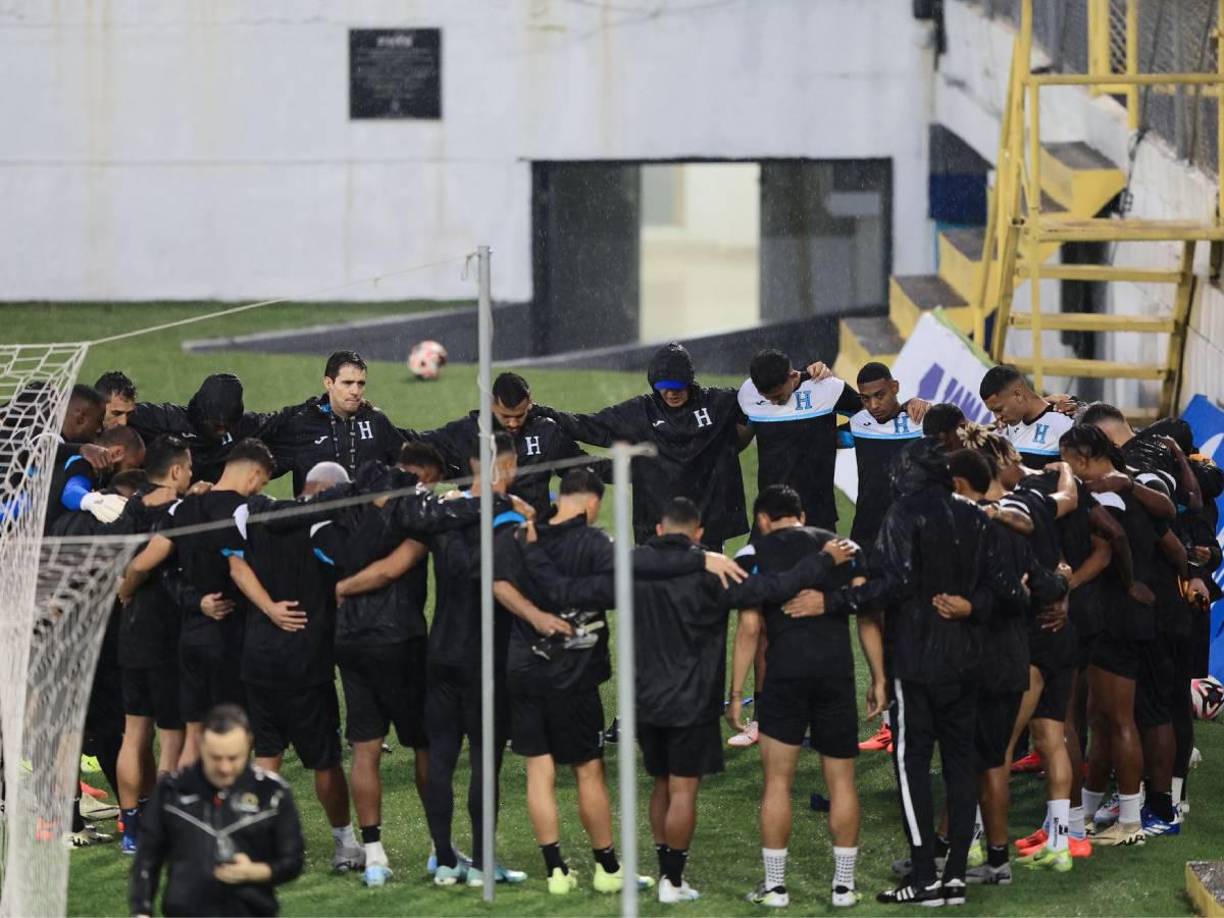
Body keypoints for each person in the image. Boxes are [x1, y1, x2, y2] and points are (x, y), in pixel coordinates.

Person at [523, 496, 842, 904]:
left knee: (660, 783)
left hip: (644, 699)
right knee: (683, 790)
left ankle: (663, 872)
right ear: (699, 533)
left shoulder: (634, 568)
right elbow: (775, 588)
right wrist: (825, 560)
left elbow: (568, 588)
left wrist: (532, 549)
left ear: (658, 529)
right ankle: (672, 881)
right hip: (693, 698)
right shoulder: (715, 571)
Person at [819, 438, 992, 908]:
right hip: (969, 659)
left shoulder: (903, 513)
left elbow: (893, 585)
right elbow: (998, 590)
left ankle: (922, 874)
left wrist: (834, 600)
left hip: (917, 661)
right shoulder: (977, 516)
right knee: (960, 764)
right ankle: (954, 875)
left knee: (912, 764)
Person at [490, 468, 652, 896]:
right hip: (575, 677)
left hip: (523, 670)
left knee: (537, 770)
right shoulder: (597, 543)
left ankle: (555, 870)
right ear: (592, 502)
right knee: (588, 771)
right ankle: (607, 868)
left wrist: (535, 617)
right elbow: (622, 592)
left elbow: (499, 585)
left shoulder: (521, 537)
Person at [727, 485, 882, 909]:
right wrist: (880, 677)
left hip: (785, 675)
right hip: (837, 673)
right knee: (842, 781)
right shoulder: (843, 547)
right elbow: (867, 613)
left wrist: (736, 692)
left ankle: (776, 887)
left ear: (762, 519)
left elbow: (750, 628)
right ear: (803, 513)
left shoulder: (752, 552)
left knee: (778, 782)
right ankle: (845, 887)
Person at [225, 461, 364, 876]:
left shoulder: (260, 518)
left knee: (267, 756)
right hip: (306, 665)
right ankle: (345, 844)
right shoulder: (325, 531)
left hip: (259, 661)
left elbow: (235, 562)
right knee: (324, 760)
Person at [327, 442, 449, 886]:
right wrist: (346, 587)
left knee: (365, 745)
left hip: (349, 641)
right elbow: (391, 569)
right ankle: (441, 847)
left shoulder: (355, 503)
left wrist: (338, 590)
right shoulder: (413, 509)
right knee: (425, 744)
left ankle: (374, 852)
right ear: (421, 475)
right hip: (399, 641)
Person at [118, 438, 276, 767]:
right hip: (227, 637)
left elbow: (142, 563)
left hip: (189, 638)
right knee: (233, 734)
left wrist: (126, 592)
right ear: (254, 474)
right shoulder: (243, 510)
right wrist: (271, 609)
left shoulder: (184, 507)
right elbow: (239, 570)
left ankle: (172, 813)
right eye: (260, 482)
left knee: (191, 739)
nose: (257, 490)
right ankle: (228, 811)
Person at [422, 432, 529, 888]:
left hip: (441, 650)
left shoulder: (444, 511)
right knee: (486, 763)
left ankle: (445, 860)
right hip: (486, 657)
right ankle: (484, 861)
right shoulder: (507, 518)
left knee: (442, 759)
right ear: (504, 468)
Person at [536, 342, 750, 550]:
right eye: (664, 388)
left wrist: (731, 447)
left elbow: (757, 406)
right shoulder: (639, 412)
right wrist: (544, 413)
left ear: (689, 381)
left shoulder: (718, 404)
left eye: (677, 387)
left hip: (705, 528)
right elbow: (590, 426)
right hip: (656, 527)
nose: (671, 394)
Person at [1059, 425, 1161, 847]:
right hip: (1117, 616)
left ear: (1082, 457)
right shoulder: (1124, 487)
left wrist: (1130, 581)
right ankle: (1086, 816)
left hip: (1117, 617)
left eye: (1067, 459)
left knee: (1117, 720)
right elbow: (1167, 534)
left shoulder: (1104, 495)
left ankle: (1131, 822)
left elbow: (1112, 543)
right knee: (1102, 719)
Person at [130, 705, 304, 918]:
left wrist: (255, 872)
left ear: (248, 743)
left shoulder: (273, 794)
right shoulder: (171, 793)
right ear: (201, 745)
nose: (225, 767)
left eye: (233, 758)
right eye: (216, 758)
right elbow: (147, 857)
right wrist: (141, 912)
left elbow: (292, 861)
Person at [113, 436, 198, 855]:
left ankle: (130, 828)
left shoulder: (131, 507)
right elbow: (144, 566)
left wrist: (124, 591)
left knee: (133, 735)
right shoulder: (180, 513)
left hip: (130, 633)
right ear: (177, 471)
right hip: (168, 635)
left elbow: (121, 563)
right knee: (172, 740)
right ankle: (165, 827)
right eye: (190, 469)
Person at [842, 362, 925, 755]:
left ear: (896, 386)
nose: (874, 405)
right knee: (872, 621)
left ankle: (912, 720)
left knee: (910, 630)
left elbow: (975, 432)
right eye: (866, 398)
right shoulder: (857, 423)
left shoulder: (921, 421)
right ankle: (891, 721)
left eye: (880, 395)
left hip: (911, 541)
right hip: (868, 538)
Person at [422, 371, 607, 519]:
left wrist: (628, 469)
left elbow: (580, 466)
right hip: (482, 533)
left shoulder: (546, 432)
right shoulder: (468, 431)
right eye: (506, 416)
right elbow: (420, 447)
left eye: (519, 416)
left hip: (534, 533)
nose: (513, 423)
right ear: (492, 405)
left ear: (530, 403)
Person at [265, 350, 407, 494]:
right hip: (319, 516)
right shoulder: (302, 425)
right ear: (328, 383)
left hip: (368, 516)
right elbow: (259, 470)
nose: (355, 391)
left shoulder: (375, 420)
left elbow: (408, 461)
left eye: (360, 384)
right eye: (348, 383)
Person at [129, 373, 276, 483]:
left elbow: (283, 419)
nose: (223, 431)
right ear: (201, 414)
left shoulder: (245, 428)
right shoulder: (167, 421)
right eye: (216, 425)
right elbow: (121, 416)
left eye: (228, 426)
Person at [44, 424, 145, 533]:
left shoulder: (99, 476)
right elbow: (70, 492)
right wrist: (95, 501)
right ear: (117, 454)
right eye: (131, 466)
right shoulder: (82, 463)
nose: (131, 472)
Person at [978, 365, 1073, 469]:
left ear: (1018, 394)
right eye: (993, 411)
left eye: (999, 409)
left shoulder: (1065, 420)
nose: (997, 417)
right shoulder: (1008, 427)